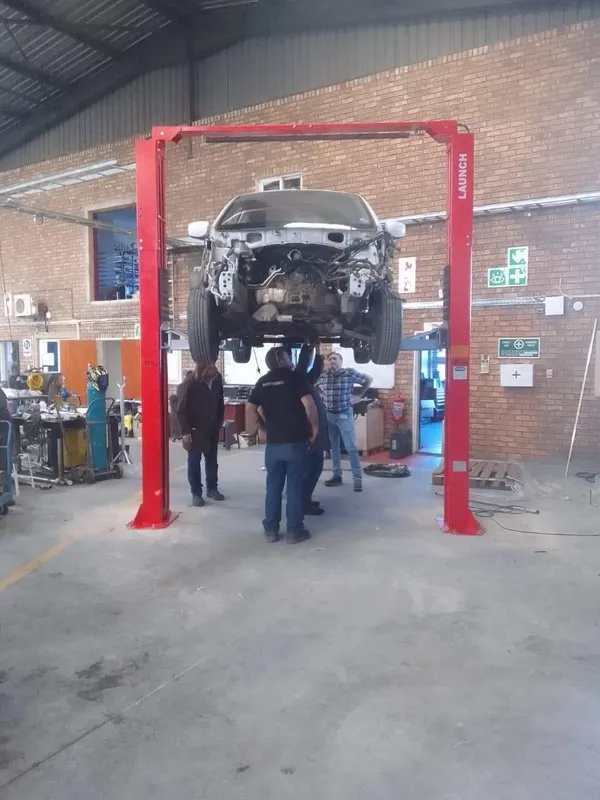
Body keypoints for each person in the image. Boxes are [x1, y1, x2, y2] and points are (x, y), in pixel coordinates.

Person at [247, 346, 319, 544]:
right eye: (288, 356)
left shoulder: (263, 381)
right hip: (295, 443)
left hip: (273, 445)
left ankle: (271, 530)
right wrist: (314, 427)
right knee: (294, 487)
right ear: (281, 360)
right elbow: (309, 404)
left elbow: (250, 407)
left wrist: (261, 427)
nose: (290, 360)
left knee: (273, 487)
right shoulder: (295, 378)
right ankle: (294, 531)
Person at [317, 351, 373, 492]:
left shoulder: (349, 373)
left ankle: (357, 478)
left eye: (335, 358)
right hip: (329, 415)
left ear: (341, 361)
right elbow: (313, 386)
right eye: (330, 359)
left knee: (351, 447)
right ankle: (337, 476)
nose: (332, 361)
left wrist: (358, 395)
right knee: (333, 447)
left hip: (344, 414)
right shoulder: (322, 376)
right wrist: (320, 395)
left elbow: (369, 378)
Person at [176, 362, 225, 507]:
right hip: (195, 430)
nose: (215, 368)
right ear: (204, 369)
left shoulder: (217, 379)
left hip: (212, 429)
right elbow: (180, 409)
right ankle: (196, 493)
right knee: (194, 462)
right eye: (211, 366)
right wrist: (185, 431)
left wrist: (220, 421)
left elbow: (220, 401)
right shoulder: (190, 383)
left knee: (212, 460)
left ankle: (212, 488)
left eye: (214, 365)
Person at [295, 343, 329, 517]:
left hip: (315, 434)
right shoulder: (297, 379)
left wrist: (316, 348)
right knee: (310, 470)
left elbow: (315, 370)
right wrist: (308, 349)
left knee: (314, 468)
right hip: (308, 435)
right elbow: (303, 366)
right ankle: (302, 504)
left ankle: (305, 500)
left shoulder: (305, 381)